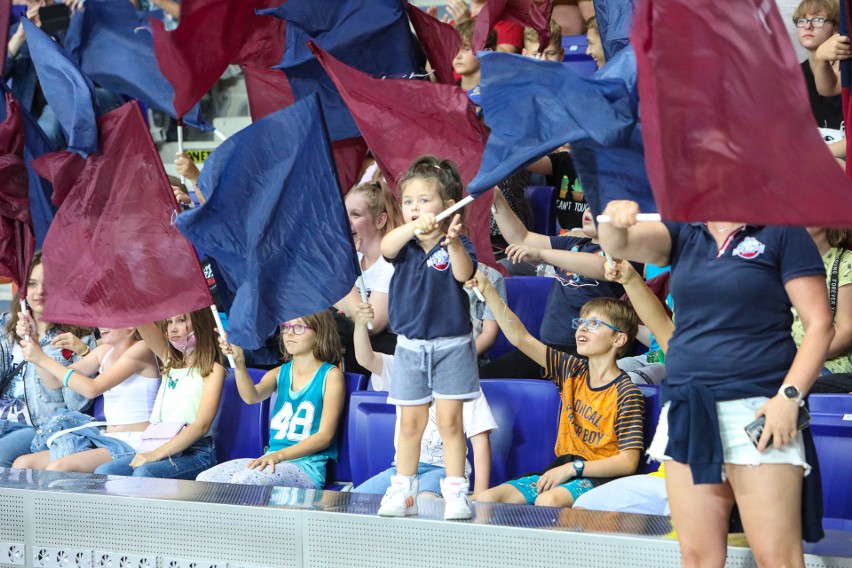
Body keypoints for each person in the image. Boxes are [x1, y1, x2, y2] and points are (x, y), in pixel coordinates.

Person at [599, 200, 834, 567]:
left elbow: (820, 324)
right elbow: (620, 244)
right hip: (690, 408)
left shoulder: (783, 231)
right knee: (697, 558)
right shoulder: (683, 229)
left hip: (761, 409)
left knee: (778, 558)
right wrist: (614, 216)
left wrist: (789, 398)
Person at [470, 275, 645, 508]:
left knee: (548, 501)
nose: (582, 328)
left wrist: (574, 468)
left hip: (602, 479)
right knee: (486, 500)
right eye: (581, 323)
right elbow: (521, 339)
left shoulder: (627, 392)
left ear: (619, 339)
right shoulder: (571, 370)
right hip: (564, 470)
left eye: (593, 324)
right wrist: (489, 291)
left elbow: (628, 461)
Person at [377, 156, 480, 520]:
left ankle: (456, 491)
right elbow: (387, 246)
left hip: (452, 346)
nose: (415, 208)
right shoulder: (403, 245)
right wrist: (414, 226)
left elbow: (464, 274)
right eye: (408, 202)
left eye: (424, 200)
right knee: (410, 423)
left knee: (451, 422)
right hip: (409, 348)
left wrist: (451, 240)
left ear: (448, 206)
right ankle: (403, 488)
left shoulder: (460, 243)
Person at [480, 193, 638, 379]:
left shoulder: (628, 251)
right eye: (589, 205)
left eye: (599, 208)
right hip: (546, 350)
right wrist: (497, 199)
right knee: (480, 380)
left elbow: (603, 267)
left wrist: (543, 254)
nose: (589, 210)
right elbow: (521, 239)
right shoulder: (573, 244)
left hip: (589, 355)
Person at [350, 303, 497, 499]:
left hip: (445, 471)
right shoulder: (401, 368)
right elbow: (365, 359)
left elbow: (480, 442)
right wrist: (360, 325)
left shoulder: (465, 382)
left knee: (425, 502)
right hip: (401, 470)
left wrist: (480, 494)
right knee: (355, 500)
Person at [197, 311, 345, 488]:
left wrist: (278, 455)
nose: (289, 333)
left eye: (299, 327)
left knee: (246, 481)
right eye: (285, 327)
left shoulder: (331, 376)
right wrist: (239, 364)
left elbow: (325, 436)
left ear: (320, 332)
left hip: (305, 468)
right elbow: (251, 397)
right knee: (206, 480)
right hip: (272, 460)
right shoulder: (278, 373)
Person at [93, 310, 226, 479]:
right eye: (169, 322)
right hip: (157, 443)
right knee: (104, 472)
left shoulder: (214, 370)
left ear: (201, 324)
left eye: (181, 320)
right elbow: (140, 318)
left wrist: (156, 454)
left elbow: (201, 427)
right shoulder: (170, 362)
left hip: (196, 452)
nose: (173, 329)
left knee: (145, 473)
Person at [13, 324, 160, 472]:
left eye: (110, 318)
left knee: (58, 467)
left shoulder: (143, 348)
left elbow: (92, 389)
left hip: (136, 440)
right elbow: (54, 381)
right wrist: (36, 349)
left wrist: (43, 358)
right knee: (23, 464)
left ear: (131, 326)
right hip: (106, 437)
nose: (102, 324)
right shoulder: (104, 351)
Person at [0, 252, 95, 467]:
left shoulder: (79, 338)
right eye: (32, 284)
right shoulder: (5, 326)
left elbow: (76, 404)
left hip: (39, 427)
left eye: (49, 284)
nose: (39, 292)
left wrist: (37, 351)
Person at [334, 181, 403, 372]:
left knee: (331, 327)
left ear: (380, 221)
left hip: (392, 349)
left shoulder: (392, 263)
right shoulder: (354, 258)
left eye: (355, 215)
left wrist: (346, 273)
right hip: (359, 345)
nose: (345, 222)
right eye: (344, 214)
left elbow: (371, 325)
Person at [793, 228, 852, 376]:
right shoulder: (784, 264)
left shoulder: (846, 262)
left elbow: (847, 332)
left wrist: (803, 358)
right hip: (783, 360)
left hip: (829, 363)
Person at [453, 19, 497, 92]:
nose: (458, 56)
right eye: (455, 49)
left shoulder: (498, 92)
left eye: (467, 49)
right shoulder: (449, 93)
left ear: (486, 52)